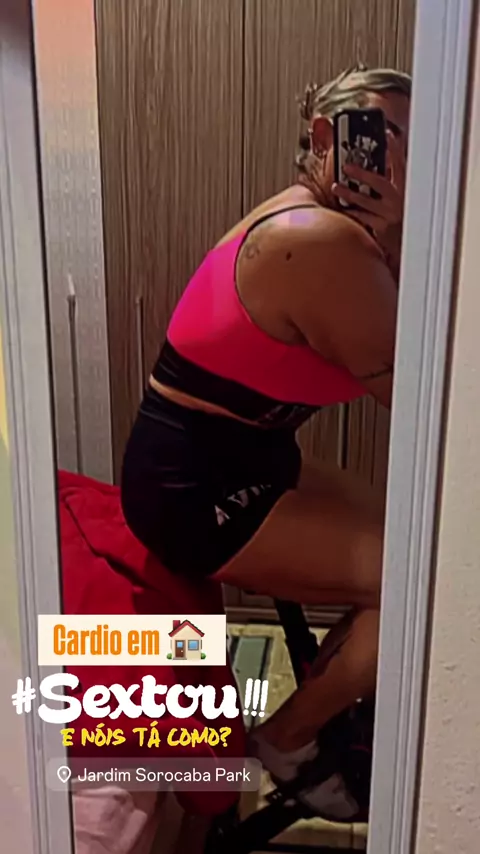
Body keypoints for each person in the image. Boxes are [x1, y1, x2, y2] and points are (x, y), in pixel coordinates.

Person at [121, 64, 411, 819]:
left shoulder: (351, 234)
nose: (398, 164)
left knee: (423, 545)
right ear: (324, 137)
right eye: (381, 138)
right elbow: (419, 391)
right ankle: (286, 739)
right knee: (420, 581)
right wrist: (399, 234)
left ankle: (342, 683)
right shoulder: (319, 240)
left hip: (247, 454)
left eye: (415, 147)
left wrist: (395, 234)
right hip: (193, 489)